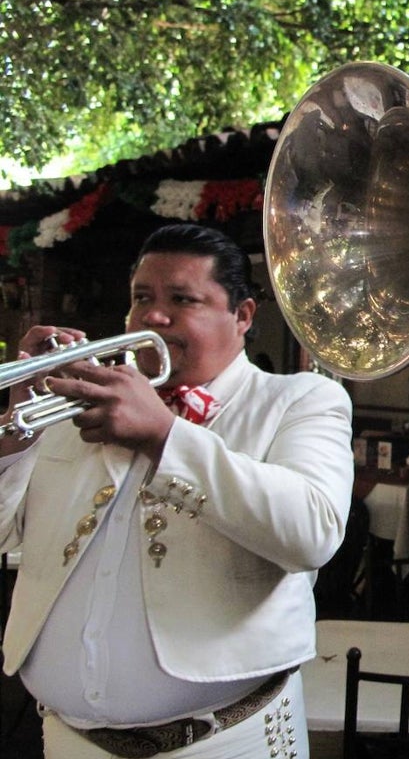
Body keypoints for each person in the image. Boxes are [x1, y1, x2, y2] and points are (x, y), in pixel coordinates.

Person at [0, 223, 354, 758]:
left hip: (232, 744)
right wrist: (13, 431)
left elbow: (313, 533)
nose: (153, 316)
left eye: (182, 299)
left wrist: (166, 436)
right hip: (68, 741)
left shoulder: (300, 399)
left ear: (242, 315)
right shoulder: (77, 401)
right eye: (142, 297)